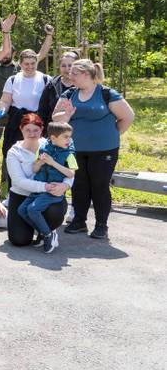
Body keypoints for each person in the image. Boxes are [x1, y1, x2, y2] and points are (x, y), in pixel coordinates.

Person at [54, 59, 134, 240]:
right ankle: (79, 221)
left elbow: (127, 117)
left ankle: (101, 225)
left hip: (104, 150)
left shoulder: (106, 93)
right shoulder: (69, 94)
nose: (69, 75)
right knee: (79, 185)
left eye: (74, 73)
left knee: (99, 186)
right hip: (75, 150)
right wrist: (66, 115)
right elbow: (55, 118)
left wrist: (111, 136)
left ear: (86, 74)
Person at [5, 113, 71, 247]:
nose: (32, 134)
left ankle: (46, 232)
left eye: (36, 130)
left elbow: (70, 169)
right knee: (19, 240)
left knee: (54, 212)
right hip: (21, 195)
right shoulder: (14, 152)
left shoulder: (50, 145)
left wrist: (65, 185)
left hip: (47, 195)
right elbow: (19, 181)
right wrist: (45, 186)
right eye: (27, 130)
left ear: (42, 130)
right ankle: (41, 229)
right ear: (21, 129)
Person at [16, 121, 78, 253]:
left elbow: (71, 173)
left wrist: (52, 162)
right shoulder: (43, 148)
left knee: (33, 209)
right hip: (40, 188)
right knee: (22, 210)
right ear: (53, 138)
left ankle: (48, 235)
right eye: (65, 136)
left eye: (70, 136)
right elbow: (35, 169)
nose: (69, 139)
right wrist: (41, 162)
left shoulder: (70, 154)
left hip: (53, 191)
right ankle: (45, 232)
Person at [0, 48, 50, 183]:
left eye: (33, 63)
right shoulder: (12, 79)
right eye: (26, 64)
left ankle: (37, 184)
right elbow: (5, 100)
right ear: (20, 64)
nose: (30, 67)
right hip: (17, 122)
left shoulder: (46, 79)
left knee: (38, 154)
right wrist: (1, 110)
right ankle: (13, 185)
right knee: (13, 152)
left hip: (37, 122)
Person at [37, 51, 78, 127]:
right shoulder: (52, 85)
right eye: (63, 66)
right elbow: (42, 110)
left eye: (70, 65)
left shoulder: (84, 86)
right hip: (56, 132)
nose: (67, 69)